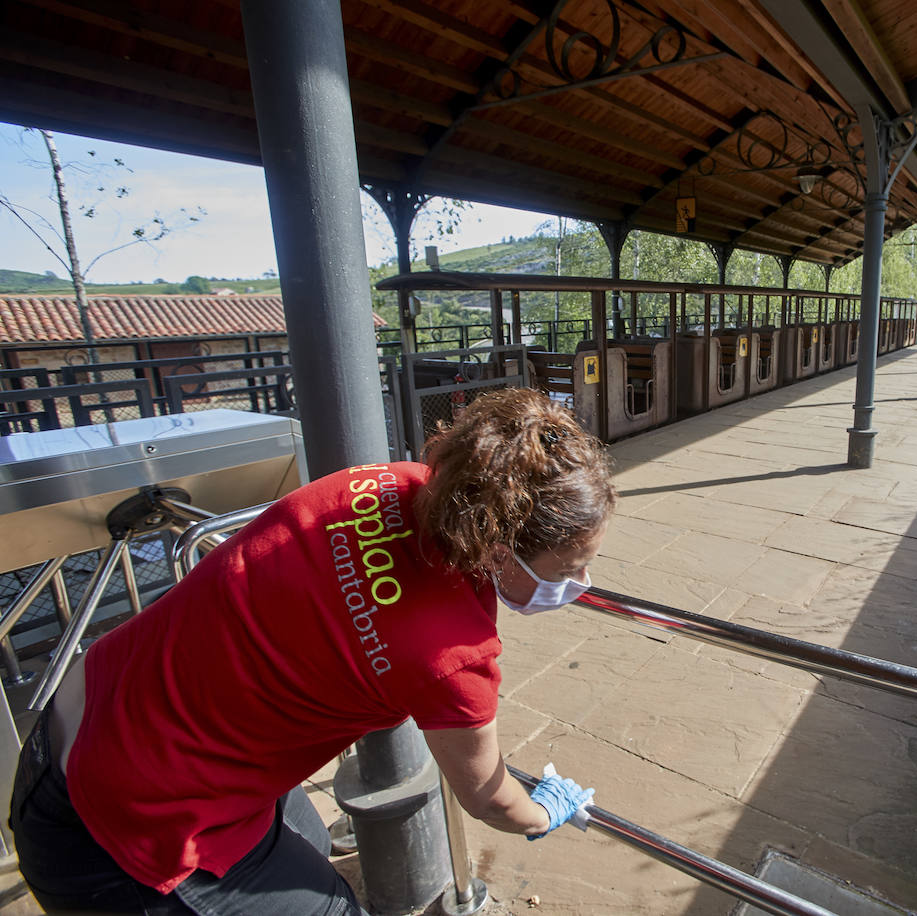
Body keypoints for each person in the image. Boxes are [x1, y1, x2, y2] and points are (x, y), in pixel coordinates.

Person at [10, 387, 614, 914]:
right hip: (124, 829)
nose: (579, 585)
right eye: (570, 568)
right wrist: (543, 812)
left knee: (307, 837)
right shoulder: (454, 655)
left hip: (76, 720)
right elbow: (487, 795)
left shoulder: (391, 483)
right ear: (499, 550)